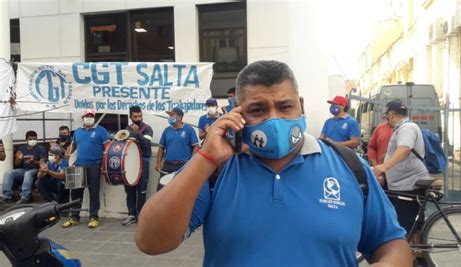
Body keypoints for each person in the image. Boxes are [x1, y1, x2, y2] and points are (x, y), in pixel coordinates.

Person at [137, 60, 411, 266]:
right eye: (258, 110)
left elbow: (393, 245)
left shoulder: (349, 166)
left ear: (300, 106)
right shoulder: (216, 169)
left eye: (285, 106)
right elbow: (150, 241)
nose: (274, 119)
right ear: (237, 113)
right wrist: (206, 158)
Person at [373, 100, 433, 233]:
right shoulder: (403, 128)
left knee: (407, 222)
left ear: (392, 115)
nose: (386, 119)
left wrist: (384, 166)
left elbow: (404, 149)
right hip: (402, 182)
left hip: (408, 183)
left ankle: (413, 249)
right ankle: (415, 248)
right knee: (405, 220)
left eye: (386, 116)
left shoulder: (406, 128)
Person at [62, 109, 110, 229]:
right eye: (87, 116)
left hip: (95, 165)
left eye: (91, 116)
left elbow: (108, 147)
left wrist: (104, 164)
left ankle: (93, 217)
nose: (89, 118)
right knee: (76, 193)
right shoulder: (78, 132)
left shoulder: (101, 131)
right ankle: (74, 217)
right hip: (79, 165)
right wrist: (66, 152)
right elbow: (73, 147)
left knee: (94, 192)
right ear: (82, 118)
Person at [122, 106, 153, 226]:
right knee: (129, 190)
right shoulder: (126, 129)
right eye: (135, 116)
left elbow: (146, 143)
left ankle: (141, 215)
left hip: (143, 161)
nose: (138, 118)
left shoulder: (147, 129)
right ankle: (131, 215)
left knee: (142, 190)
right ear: (130, 117)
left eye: (140, 116)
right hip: (129, 163)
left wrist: (137, 133)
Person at [1, 131, 47, 204]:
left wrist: (34, 161)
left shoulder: (41, 149)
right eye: (30, 139)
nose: (32, 141)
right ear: (26, 140)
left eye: (34, 139)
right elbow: (17, 164)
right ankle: (7, 196)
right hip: (24, 169)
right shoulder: (21, 148)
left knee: (28, 173)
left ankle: (25, 197)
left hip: (36, 170)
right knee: (9, 173)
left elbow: (43, 163)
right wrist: (19, 158)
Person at [154, 107, 199, 179]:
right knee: (164, 187)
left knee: (181, 188)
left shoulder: (189, 130)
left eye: (172, 115)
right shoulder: (167, 130)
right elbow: (161, 147)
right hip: (167, 164)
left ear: (179, 117)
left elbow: (196, 146)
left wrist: (191, 163)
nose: (170, 117)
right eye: (170, 115)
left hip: (183, 165)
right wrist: (158, 163)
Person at [367, 121, 393, 187]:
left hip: (400, 175)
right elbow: (371, 148)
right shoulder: (380, 128)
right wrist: (377, 171)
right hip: (382, 173)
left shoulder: (406, 129)